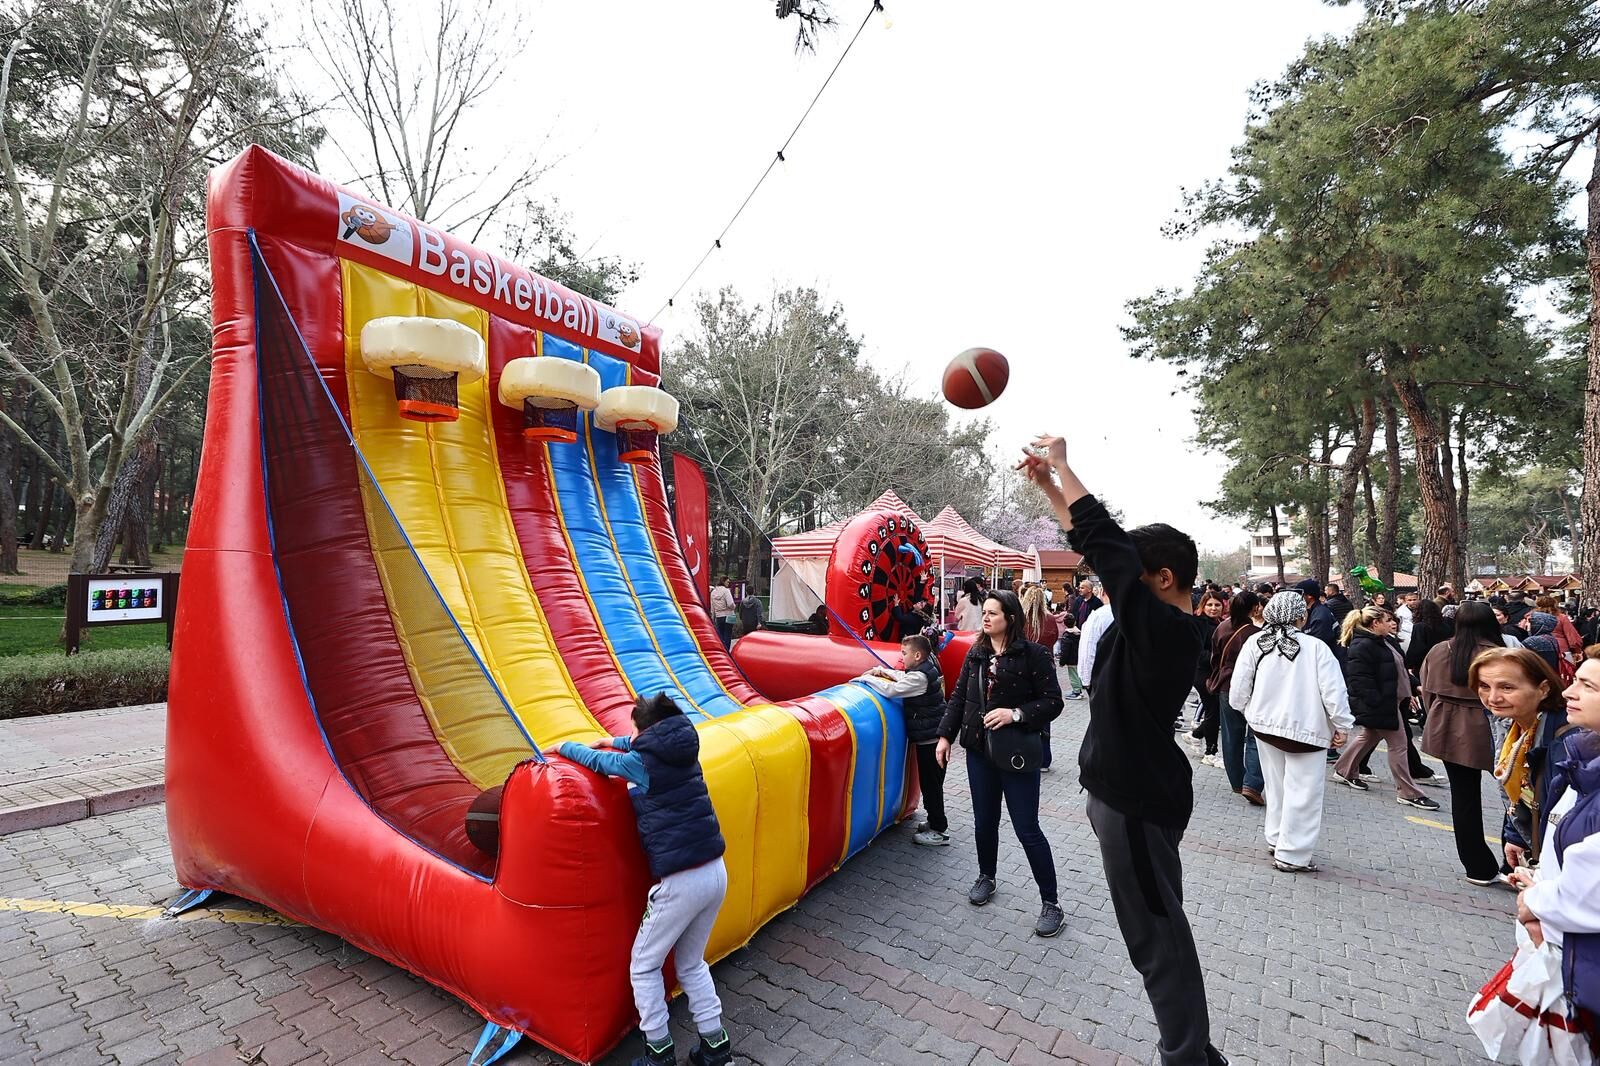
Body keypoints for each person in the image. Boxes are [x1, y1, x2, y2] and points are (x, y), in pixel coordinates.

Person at [1022, 433, 1228, 1066]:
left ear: (1163, 579)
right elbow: (1097, 546)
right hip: (1122, 795)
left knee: (1156, 934)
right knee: (1154, 923)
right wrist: (1048, 490)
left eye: (1128, 577)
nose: (1110, 583)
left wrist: (1065, 464)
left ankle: (1188, 1056)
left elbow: (1105, 544)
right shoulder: (1150, 624)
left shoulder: (1167, 629)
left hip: (1136, 803)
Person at [557, 694, 734, 1066]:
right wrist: (616, 739)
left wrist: (565, 747)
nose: (630, 736)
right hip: (715, 871)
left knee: (643, 964)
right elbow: (639, 747)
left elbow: (601, 763)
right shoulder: (683, 748)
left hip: (681, 881)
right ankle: (717, 1051)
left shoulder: (641, 764)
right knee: (691, 964)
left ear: (646, 732)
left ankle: (658, 1052)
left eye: (632, 730)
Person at [934, 590, 1065, 936]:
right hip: (979, 751)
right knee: (984, 821)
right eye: (985, 613)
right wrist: (945, 736)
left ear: (1010, 617)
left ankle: (1051, 902)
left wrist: (1016, 714)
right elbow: (959, 696)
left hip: (1017, 754)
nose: (986, 618)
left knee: (1027, 828)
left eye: (993, 613)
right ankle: (986, 876)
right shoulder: (975, 653)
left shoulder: (1033, 655)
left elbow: (1053, 702)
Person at [1498, 648, 1600, 1050]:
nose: (1570, 692)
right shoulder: (1584, 756)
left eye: (1587, 686)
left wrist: (1538, 899)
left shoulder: (1565, 743)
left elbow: (1588, 886)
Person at [1229, 592, 1353, 874]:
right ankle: (1293, 853)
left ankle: (1276, 837)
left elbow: (1239, 689)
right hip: (1307, 731)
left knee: (1275, 785)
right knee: (1304, 793)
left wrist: (1250, 712)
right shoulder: (1316, 648)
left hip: (1264, 727)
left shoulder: (1255, 643)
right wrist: (1342, 725)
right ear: (1301, 616)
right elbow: (1334, 691)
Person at [1420, 601, 1513, 888]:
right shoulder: (1500, 654)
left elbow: (1428, 689)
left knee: (1464, 797)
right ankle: (1514, 863)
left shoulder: (1441, 650)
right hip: (1493, 725)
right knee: (1514, 796)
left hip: (1448, 724)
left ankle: (1477, 867)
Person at [1472, 648, 1571, 875]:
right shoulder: (1512, 723)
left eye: (1507, 687)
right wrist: (1516, 835)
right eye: (1484, 686)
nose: (1493, 698)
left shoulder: (1565, 740)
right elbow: (1519, 789)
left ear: (1544, 689)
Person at [1330, 606, 1439, 810]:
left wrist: (1414, 686)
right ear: (1375, 623)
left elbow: (1399, 669)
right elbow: (1359, 680)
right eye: (1388, 620)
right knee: (1399, 745)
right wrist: (1378, 702)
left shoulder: (1383, 641)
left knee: (1368, 737)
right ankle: (1408, 792)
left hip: (1391, 702)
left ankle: (1343, 770)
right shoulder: (1363, 645)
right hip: (1382, 704)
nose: (1393, 623)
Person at [857, 635, 949, 846]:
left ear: (917, 655)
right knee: (933, 783)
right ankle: (936, 820)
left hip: (930, 740)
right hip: (932, 737)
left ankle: (939, 830)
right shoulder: (924, 669)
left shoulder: (920, 678)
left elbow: (892, 690)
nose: (902, 657)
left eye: (904, 653)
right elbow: (902, 677)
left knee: (931, 785)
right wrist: (882, 671)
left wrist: (866, 679)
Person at [1208, 591, 1265, 805]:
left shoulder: (1222, 627)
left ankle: (1237, 782)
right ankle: (1252, 783)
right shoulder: (1255, 634)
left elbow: (1214, 657)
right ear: (1255, 608)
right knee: (1255, 735)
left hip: (1224, 686)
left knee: (1231, 735)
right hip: (1251, 687)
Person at [1021, 586, 1062, 769]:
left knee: (1023, 710)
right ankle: (1045, 758)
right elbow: (1054, 638)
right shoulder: (1049, 618)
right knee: (1044, 710)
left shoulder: (1021, 619)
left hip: (1023, 669)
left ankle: (1024, 753)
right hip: (1046, 668)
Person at [1189, 591, 1227, 765]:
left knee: (1215, 710)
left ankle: (1195, 735)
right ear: (1203, 606)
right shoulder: (1199, 623)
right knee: (1213, 710)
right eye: (1210, 605)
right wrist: (1218, 657)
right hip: (1202, 673)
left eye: (1217, 605)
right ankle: (1210, 752)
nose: (1213, 608)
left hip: (1215, 673)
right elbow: (1197, 651)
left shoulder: (1220, 623)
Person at [1077, 591, 1114, 695]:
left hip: (1104, 678)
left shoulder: (1099, 616)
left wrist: (1086, 679)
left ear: (1103, 592)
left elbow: (1088, 648)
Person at [1294, 579, 1339, 652]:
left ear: (1309, 596)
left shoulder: (1321, 615)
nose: (1297, 597)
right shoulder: (1310, 612)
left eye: (1299, 594)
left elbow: (1318, 645)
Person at [1520, 611, 1565, 678]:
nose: (1526, 624)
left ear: (1537, 624)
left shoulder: (1533, 641)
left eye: (1529, 622)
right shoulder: (1551, 638)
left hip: (1536, 675)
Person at [709, 577, 737, 649]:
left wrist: (713, 617)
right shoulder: (726, 591)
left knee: (720, 635)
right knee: (727, 634)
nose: (728, 583)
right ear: (723, 582)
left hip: (718, 616)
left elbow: (712, 607)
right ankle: (727, 651)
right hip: (728, 616)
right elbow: (730, 603)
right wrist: (734, 607)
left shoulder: (713, 592)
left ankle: (721, 650)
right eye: (727, 582)